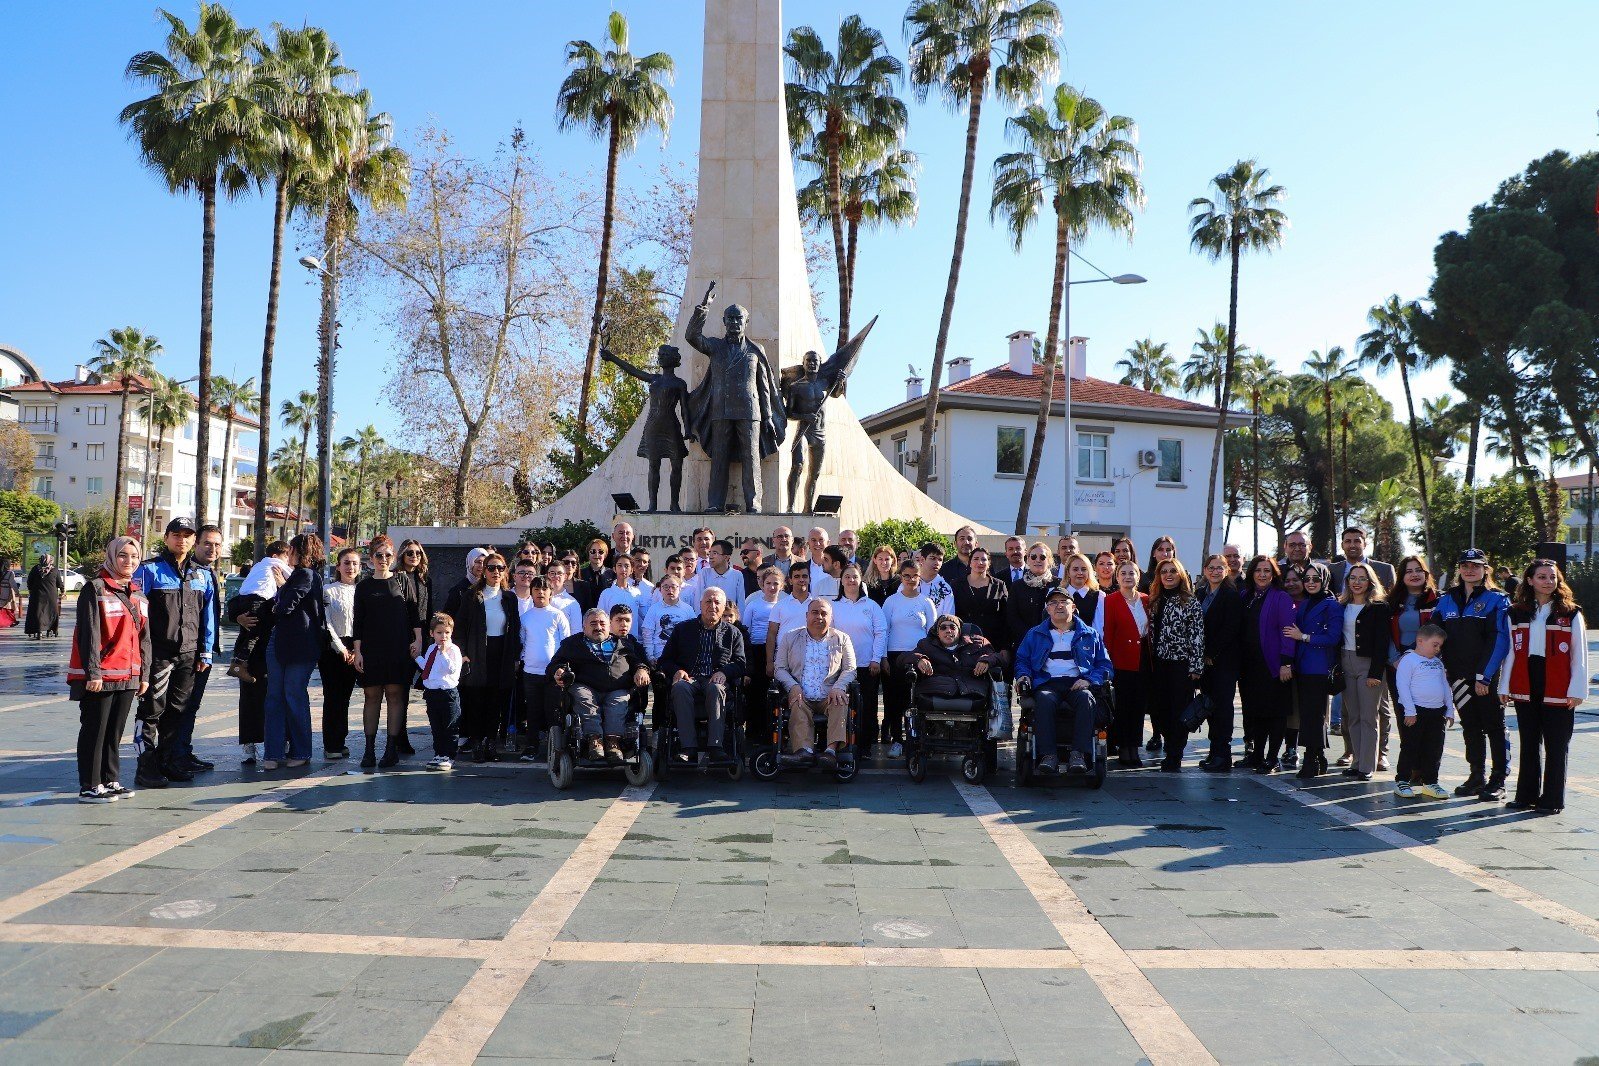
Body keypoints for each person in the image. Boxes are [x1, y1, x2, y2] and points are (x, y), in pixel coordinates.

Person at [132, 517, 216, 789]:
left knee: (178, 710)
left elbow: (208, 617)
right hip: (158, 654)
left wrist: (206, 652)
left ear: (194, 540)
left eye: (187, 535)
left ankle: (169, 762)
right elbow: (136, 617)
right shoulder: (149, 571)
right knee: (151, 711)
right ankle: (146, 767)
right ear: (166, 538)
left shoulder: (202, 574)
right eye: (176, 534)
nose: (181, 539)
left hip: (189, 655)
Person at [67, 536, 150, 802]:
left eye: (134, 556)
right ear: (112, 556)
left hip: (129, 674)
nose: (129, 561)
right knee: (95, 729)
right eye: (123, 555)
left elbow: (144, 637)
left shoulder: (137, 593)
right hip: (101, 675)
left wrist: (144, 674)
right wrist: (92, 672)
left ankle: (110, 779)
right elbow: (88, 633)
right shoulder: (96, 588)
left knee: (115, 731)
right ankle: (90, 784)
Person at [1501, 560, 1586, 815]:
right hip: (1526, 681)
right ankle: (1525, 796)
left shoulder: (1571, 613)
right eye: (1542, 577)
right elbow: (1510, 654)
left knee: (1557, 745)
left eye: (1552, 577)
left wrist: (1577, 690)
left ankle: (1552, 799)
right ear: (1529, 580)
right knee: (1528, 742)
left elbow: (1578, 654)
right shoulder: (1516, 612)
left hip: (1559, 684)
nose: (1548, 581)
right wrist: (1504, 686)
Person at [1432, 548, 1512, 801]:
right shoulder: (1445, 600)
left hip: (1485, 678)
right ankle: (1476, 776)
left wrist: (1484, 676)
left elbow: (1499, 640)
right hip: (1457, 676)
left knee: (1495, 726)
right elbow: (1434, 635)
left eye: (1475, 565)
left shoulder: (1497, 600)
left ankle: (1498, 779)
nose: (1469, 569)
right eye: (1465, 565)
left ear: (1485, 569)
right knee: (1471, 726)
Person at [1014, 589, 1111, 774]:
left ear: (1073, 607)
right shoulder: (1034, 634)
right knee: (1044, 699)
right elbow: (1022, 660)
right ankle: (1048, 755)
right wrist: (1023, 675)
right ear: (1047, 609)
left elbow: (1104, 665)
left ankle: (1079, 755)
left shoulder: (1090, 634)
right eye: (1053, 602)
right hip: (1047, 683)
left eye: (1063, 602)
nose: (1058, 605)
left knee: (1086, 699)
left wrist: (1089, 680)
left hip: (1077, 683)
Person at [352, 534, 424, 769]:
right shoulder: (363, 586)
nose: (384, 559)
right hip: (371, 649)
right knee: (371, 697)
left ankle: (391, 749)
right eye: (379, 555)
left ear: (394, 557)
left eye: (388, 555)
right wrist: (358, 651)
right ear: (371, 558)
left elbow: (415, 614)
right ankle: (369, 749)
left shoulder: (403, 581)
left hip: (398, 647)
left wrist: (418, 640)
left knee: (395, 696)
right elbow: (358, 622)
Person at [550, 608, 652, 763]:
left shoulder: (623, 643)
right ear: (584, 627)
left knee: (619, 702)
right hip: (586, 686)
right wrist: (559, 670)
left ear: (609, 626)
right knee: (584, 697)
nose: (598, 627)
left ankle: (613, 742)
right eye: (593, 623)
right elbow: (556, 663)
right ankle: (594, 740)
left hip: (617, 688)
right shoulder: (572, 644)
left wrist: (641, 669)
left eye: (602, 623)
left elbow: (638, 661)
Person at [659, 587, 747, 763]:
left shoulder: (732, 632)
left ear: (723, 608)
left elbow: (740, 663)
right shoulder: (682, 629)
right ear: (700, 605)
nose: (712, 606)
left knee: (716, 689)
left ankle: (716, 747)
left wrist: (724, 671)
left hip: (714, 679)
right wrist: (677, 671)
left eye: (717, 603)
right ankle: (688, 748)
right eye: (708, 602)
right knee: (680, 688)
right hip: (689, 678)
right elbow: (665, 660)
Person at [263, 533, 327, 771]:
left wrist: (281, 590)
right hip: (291, 643)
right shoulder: (306, 576)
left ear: (300, 551)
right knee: (281, 697)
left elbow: (284, 607)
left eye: (292, 548)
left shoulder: (304, 575)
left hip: (297, 644)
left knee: (288, 696)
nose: (288, 553)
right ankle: (278, 752)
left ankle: (292, 751)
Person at [455, 551, 522, 763]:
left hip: (500, 653)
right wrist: (463, 654)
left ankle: (491, 743)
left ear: (505, 572)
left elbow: (515, 629)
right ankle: (476, 743)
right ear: (483, 571)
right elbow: (461, 628)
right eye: (491, 568)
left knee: (495, 701)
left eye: (500, 568)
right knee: (476, 701)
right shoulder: (472, 596)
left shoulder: (510, 598)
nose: (496, 572)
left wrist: (515, 657)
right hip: (477, 653)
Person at [774, 598, 858, 768]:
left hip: (829, 695)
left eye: (824, 613)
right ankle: (804, 751)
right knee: (797, 703)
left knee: (841, 701)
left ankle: (830, 751)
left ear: (830, 618)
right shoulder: (790, 637)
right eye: (815, 612)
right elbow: (780, 668)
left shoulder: (842, 639)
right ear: (806, 616)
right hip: (802, 694)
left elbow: (850, 669)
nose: (819, 617)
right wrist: (793, 686)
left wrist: (839, 687)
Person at [170, 523, 225, 777]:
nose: (212, 549)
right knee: (180, 706)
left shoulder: (208, 573)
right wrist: (202, 650)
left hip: (203, 652)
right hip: (186, 651)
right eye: (207, 543)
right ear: (196, 544)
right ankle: (173, 754)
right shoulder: (188, 572)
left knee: (192, 705)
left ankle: (183, 750)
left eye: (216, 544)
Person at [1237, 557, 1297, 773]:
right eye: (1258, 570)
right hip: (1250, 666)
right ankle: (1257, 756)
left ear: (1274, 574)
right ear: (1251, 573)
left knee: (1275, 714)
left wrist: (1286, 663)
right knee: (1256, 713)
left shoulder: (1281, 597)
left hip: (1274, 665)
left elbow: (1288, 633)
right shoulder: (1245, 596)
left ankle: (1272, 758)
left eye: (1267, 571)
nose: (1262, 574)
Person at [1146, 559, 1205, 771]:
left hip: (1182, 665)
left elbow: (1197, 635)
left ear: (1180, 575)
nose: (1168, 575)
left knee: (1179, 713)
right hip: (1159, 664)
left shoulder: (1189, 601)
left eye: (1173, 571)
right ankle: (1169, 746)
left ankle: (1175, 755)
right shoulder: (1154, 600)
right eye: (1164, 572)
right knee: (1160, 710)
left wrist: (1196, 667)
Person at [1282, 562, 1341, 777]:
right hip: (1303, 665)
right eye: (1306, 579)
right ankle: (1319, 756)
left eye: (1315, 578)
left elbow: (1333, 637)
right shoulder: (1305, 603)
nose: (1310, 582)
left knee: (1314, 715)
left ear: (1324, 579)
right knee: (1309, 715)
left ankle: (1311, 759)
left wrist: (1304, 637)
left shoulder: (1331, 605)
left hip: (1319, 667)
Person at [1386, 555, 1440, 784]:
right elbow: (1385, 634)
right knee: (1407, 720)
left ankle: (1425, 773)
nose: (1414, 574)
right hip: (1399, 667)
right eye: (1409, 571)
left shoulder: (1438, 601)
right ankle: (1409, 770)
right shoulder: (1391, 602)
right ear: (1402, 576)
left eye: (1419, 570)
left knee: (1429, 721)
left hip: (1429, 669)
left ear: (1426, 574)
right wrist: (1395, 659)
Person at [1338, 562, 1394, 781]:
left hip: (1369, 664)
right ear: (1347, 581)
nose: (1357, 582)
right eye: (1353, 578)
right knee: (1353, 716)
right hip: (1346, 661)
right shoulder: (1341, 604)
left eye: (1362, 578)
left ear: (1370, 582)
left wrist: (1375, 672)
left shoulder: (1379, 607)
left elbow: (1382, 643)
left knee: (1368, 716)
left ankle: (1367, 765)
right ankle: (1357, 762)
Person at [880, 560, 938, 758]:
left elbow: (933, 634)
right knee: (894, 701)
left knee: (915, 700)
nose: (911, 579)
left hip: (919, 657)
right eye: (906, 576)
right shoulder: (891, 601)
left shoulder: (926, 602)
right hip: (895, 656)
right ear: (901, 576)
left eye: (915, 576)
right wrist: (883, 658)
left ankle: (917, 740)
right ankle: (897, 740)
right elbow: (883, 631)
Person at [1393, 624, 1455, 800]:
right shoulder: (1408, 660)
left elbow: (1445, 686)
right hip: (1416, 712)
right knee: (1410, 747)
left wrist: (1449, 710)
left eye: (1440, 646)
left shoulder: (1437, 662)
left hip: (1437, 713)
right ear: (1420, 641)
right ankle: (1402, 780)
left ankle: (1430, 782)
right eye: (1435, 645)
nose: (1438, 649)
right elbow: (1402, 686)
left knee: (1434, 748)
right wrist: (1410, 711)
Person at [832, 563, 886, 752]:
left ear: (860, 579)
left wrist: (876, 659)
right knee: (841, 706)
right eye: (847, 577)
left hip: (866, 665)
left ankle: (864, 746)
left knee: (867, 706)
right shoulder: (833, 606)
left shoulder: (871, 606)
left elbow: (880, 632)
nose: (851, 580)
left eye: (855, 577)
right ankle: (840, 744)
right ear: (842, 581)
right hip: (840, 667)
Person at [1196, 554, 1243, 773]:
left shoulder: (1231, 596)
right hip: (1204, 663)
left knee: (1223, 708)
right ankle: (1213, 751)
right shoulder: (1199, 594)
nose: (1215, 572)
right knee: (1210, 707)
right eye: (1211, 568)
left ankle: (1223, 755)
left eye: (1220, 568)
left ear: (1226, 571)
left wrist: (1211, 653)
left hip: (1223, 661)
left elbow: (1231, 629)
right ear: (1205, 570)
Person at [516, 573, 569, 760]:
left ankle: (556, 748)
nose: (540, 592)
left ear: (551, 593)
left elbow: (565, 644)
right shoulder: (525, 617)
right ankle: (531, 747)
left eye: (544, 589)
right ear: (531, 592)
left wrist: (561, 668)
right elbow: (521, 642)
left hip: (553, 674)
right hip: (530, 672)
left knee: (553, 711)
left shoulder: (558, 615)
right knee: (533, 711)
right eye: (536, 589)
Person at [1102, 561, 1150, 767]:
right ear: (1117, 577)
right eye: (1123, 573)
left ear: (1138, 577)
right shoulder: (1111, 600)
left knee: (1138, 707)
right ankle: (1123, 748)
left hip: (1143, 661)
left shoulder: (1147, 600)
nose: (1128, 576)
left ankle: (1134, 747)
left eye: (1132, 573)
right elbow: (1108, 634)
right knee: (1123, 707)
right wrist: (1108, 662)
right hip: (1120, 662)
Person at [320, 547, 363, 761]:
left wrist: (357, 649)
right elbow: (326, 623)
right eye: (346, 562)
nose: (351, 567)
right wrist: (341, 648)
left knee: (345, 698)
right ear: (338, 566)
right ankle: (331, 744)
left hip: (357, 648)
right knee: (333, 697)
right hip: (333, 649)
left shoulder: (363, 590)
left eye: (355, 563)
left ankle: (341, 740)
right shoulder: (328, 590)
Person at [227, 541, 291, 683]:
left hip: (247, 598)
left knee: (251, 632)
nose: (288, 560)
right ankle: (239, 664)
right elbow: (294, 581)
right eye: (287, 556)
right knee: (255, 632)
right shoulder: (275, 564)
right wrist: (286, 584)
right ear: (275, 556)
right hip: (259, 600)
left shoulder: (258, 566)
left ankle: (239, 662)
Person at [415, 612, 465, 771]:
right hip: (432, 693)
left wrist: (443, 653)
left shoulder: (453, 650)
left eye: (447, 633)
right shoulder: (431, 648)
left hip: (448, 693)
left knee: (450, 725)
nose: (443, 636)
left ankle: (449, 755)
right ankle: (439, 753)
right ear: (432, 634)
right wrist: (417, 658)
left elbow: (451, 669)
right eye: (439, 632)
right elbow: (428, 668)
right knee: (436, 725)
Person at [952, 547, 1009, 655]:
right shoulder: (956, 584)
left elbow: (1006, 617)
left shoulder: (999, 585)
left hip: (992, 643)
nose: (980, 562)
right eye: (976, 559)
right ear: (970, 563)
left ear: (989, 563)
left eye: (984, 559)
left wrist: (1005, 647)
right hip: (964, 643)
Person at [765, 566, 816, 677]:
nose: (801, 580)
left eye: (804, 576)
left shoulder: (817, 605)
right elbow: (771, 634)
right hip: (784, 657)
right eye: (797, 576)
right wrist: (769, 662)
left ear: (810, 579)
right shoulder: (780, 606)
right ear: (790, 580)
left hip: (812, 657)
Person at [1005, 543, 1055, 653]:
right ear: (1027, 560)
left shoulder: (1058, 584)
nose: (1038, 560)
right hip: (1024, 643)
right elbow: (1012, 616)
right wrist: (1031, 636)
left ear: (1049, 561)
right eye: (1033, 557)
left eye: (1042, 557)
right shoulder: (1017, 586)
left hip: (1053, 644)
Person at [642, 574, 696, 663]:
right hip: (659, 656)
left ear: (680, 589)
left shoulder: (688, 609)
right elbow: (647, 634)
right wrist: (650, 656)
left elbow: (693, 634)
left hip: (681, 658)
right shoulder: (654, 609)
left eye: (673, 587)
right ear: (660, 590)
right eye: (666, 587)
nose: (670, 590)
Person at [1328, 526, 1396, 594]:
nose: (1352, 545)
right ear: (1342, 545)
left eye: (1357, 541)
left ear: (1365, 545)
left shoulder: (1385, 570)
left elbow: (1393, 599)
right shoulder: (1332, 569)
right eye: (1348, 541)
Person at [598, 554, 653, 635]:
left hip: (632, 640)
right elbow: (600, 618)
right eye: (619, 566)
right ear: (614, 569)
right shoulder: (606, 594)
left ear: (631, 570)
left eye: (627, 566)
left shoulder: (636, 593)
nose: (623, 569)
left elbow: (645, 616)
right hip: (611, 641)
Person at [686, 539, 744, 605]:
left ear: (726, 557)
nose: (710, 557)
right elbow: (698, 600)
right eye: (710, 553)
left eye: (715, 553)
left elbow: (741, 602)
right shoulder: (704, 573)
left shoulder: (737, 575)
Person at [24, 552, 65, 639]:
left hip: (37, 595)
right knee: (50, 612)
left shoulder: (35, 569)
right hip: (51, 596)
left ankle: (38, 630)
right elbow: (59, 583)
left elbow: (29, 582)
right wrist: (62, 591)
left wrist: (31, 590)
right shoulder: (55, 570)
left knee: (37, 612)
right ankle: (50, 628)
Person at [1062, 552, 1104, 633]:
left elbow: (1099, 628)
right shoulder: (1058, 594)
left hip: (1088, 642)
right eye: (1075, 569)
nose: (1080, 573)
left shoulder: (1099, 596)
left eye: (1084, 569)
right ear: (1068, 572)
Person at [545, 559, 585, 636]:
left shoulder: (572, 603)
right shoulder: (538, 598)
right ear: (547, 576)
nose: (556, 576)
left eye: (559, 573)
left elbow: (576, 632)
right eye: (552, 573)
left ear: (565, 576)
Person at [916, 543, 956, 616]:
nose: (937, 563)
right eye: (932, 558)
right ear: (922, 560)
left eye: (940, 560)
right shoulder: (909, 583)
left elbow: (948, 617)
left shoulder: (945, 589)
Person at [801, 528, 839, 598]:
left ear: (828, 543)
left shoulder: (836, 568)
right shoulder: (802, 568)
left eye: (821, 540)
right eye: (813, 540)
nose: (817, 543)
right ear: (808, 543)